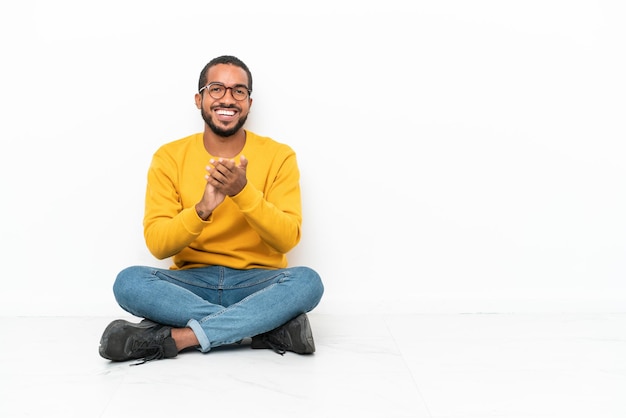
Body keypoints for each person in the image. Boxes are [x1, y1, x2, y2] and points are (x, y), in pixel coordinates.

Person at [99, 55, 324, 364]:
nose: (227, 99)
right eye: (216, 88)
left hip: (256, 284)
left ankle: (180, 339)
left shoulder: (279, 156)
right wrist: (202, 209)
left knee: (308, 282)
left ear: (249, 101)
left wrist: (243, 193)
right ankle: (264, 328)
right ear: (199, 99)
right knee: (129, 282)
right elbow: (158, 245)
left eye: (238, 91)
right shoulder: (169, 157)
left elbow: (287, 239)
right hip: (191, 285)